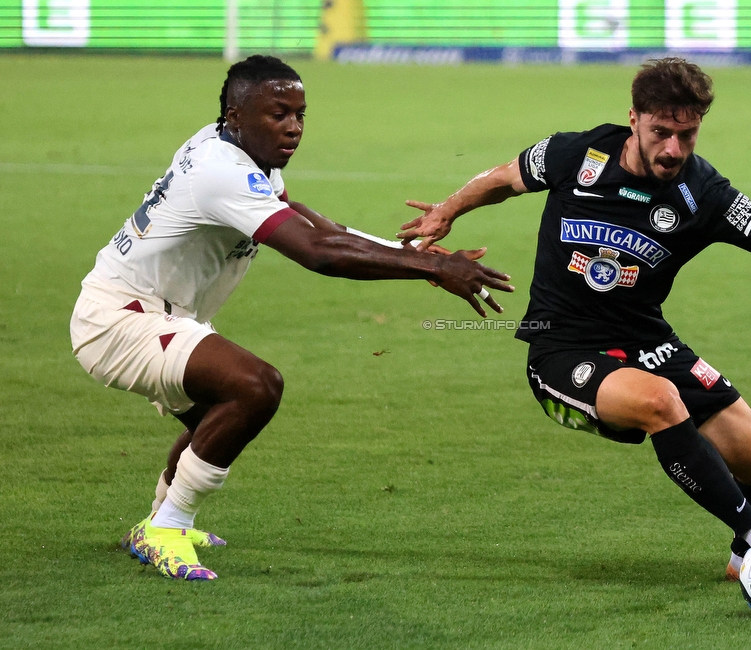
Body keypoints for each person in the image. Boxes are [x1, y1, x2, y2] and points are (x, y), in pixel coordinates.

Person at [397, 57, 751, 580]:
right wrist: (448, 209)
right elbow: (503, 177)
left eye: (688, 134)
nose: (674, 148)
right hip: (563, 351)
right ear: (633, 118)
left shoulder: (702, 192)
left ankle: (743, 562)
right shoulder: (575, 155)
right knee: (661, 401)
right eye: (661, 132)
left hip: (648, 343)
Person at [69, 55, 514, 581]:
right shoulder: (220, 171)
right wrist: (421, 267)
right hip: (121, 318)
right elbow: (317, 254)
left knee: (214, 413)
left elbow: (315, 226)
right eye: (279, 114)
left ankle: (161, 520)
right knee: (255, 388)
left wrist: (426, 260)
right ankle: (166, 528)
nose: (294, 127)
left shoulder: (237, 150)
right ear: (236, 114)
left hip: (152, 312)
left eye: (301, 114)